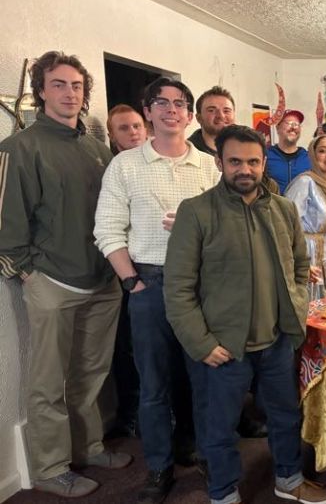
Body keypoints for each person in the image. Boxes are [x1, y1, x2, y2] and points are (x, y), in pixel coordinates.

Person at [164, 124, 326, 504]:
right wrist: (201, 342)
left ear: (263, 163)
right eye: (236, 161)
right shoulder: (196, 212)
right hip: (222, 348)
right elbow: (177, 289)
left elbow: (301, 268)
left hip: (276, 342)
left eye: (254, 161)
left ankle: (289, 480)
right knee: (219, 427)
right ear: (220, 162)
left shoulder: (283, 209)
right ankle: (223, 493)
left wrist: (295, 311)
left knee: (286, 417)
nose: (246, 169)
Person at [0, 51, 129, 498]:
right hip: (52, 281)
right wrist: (27, 273)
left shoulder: (96, 149)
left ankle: (88, 445)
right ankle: (51, 468)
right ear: (40, 91)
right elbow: (6, 222)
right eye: (58, 84)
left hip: (102, 280)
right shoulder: (19, 148)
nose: (69, 93)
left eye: (76, 85)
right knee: (48, 381)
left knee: (91, 373)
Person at [95, 77, 220, 503]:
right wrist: (132, 281)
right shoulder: (125, 165)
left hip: (201, 285)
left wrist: (198, 229)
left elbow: (224, 230)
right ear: (147, 111)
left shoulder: (208, 166)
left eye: (180, 104)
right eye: (161, 103)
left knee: (202, 378)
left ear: (189, 114)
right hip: (149, 282)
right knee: (154, 385)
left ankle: (200, 450)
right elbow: (107, 230)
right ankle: (160, 467)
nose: (172, 110)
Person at [103, 103, 147, 442]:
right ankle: (130, 412)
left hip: (152, 273)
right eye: (123, 128)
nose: (132, 133)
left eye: (136, 126)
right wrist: (129, 278)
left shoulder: (155, 164)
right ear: (111, 136)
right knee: (128, 348)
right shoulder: (116, 169)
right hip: (122, 273)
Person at [285, 134, 326, 270]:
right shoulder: (304, 183)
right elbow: (286, 225)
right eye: (322, 151)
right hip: (306, 256)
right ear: (313, 156)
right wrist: (300, 263)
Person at [267, 110, 310, 194]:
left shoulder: (308, 158)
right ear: (278, 127)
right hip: (273, 206)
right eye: (289, 123)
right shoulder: (266, 156)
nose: (293, 127)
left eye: (297, 124)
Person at [188, 85, 235, 156]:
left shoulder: (246, 148)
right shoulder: (187, 153)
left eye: (226, 111)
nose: (221, 116)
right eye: (211, 110)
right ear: (199, 118)